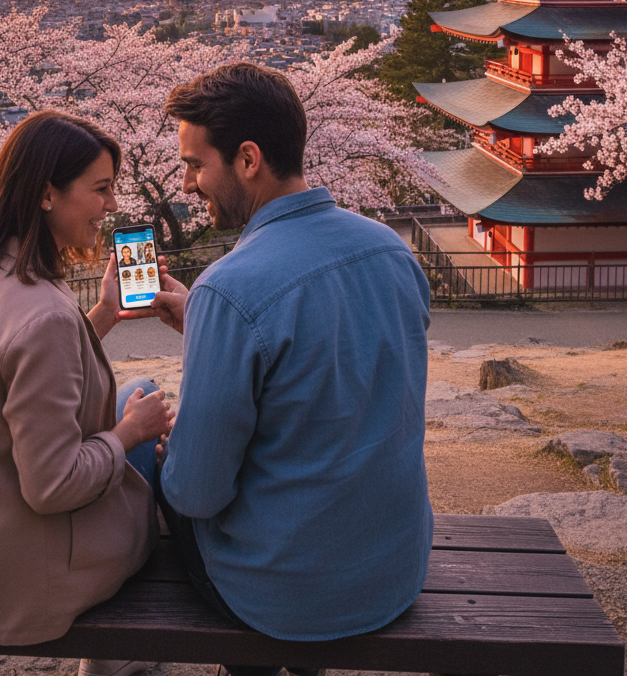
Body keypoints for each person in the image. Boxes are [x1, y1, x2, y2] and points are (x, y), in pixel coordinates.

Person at [146, 63, 433, 665]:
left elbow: (197, 493)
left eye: (196, 164)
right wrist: (205, 319)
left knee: (150, 463)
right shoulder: (390, 250)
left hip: (284, 592)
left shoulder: (231, 289)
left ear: (248, 159)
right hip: (392, 569)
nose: (188, 183)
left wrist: (165, 454)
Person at [0, 111, 174, 676]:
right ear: (48, 193)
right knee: (164, 470)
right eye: (100, 190)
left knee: (140, 390)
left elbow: (20, 379)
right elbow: (53, 487)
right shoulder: (43, 315)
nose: (111, 206)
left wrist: (103, 313)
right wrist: (130, 433)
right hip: (14, 576)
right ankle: (118, 664)